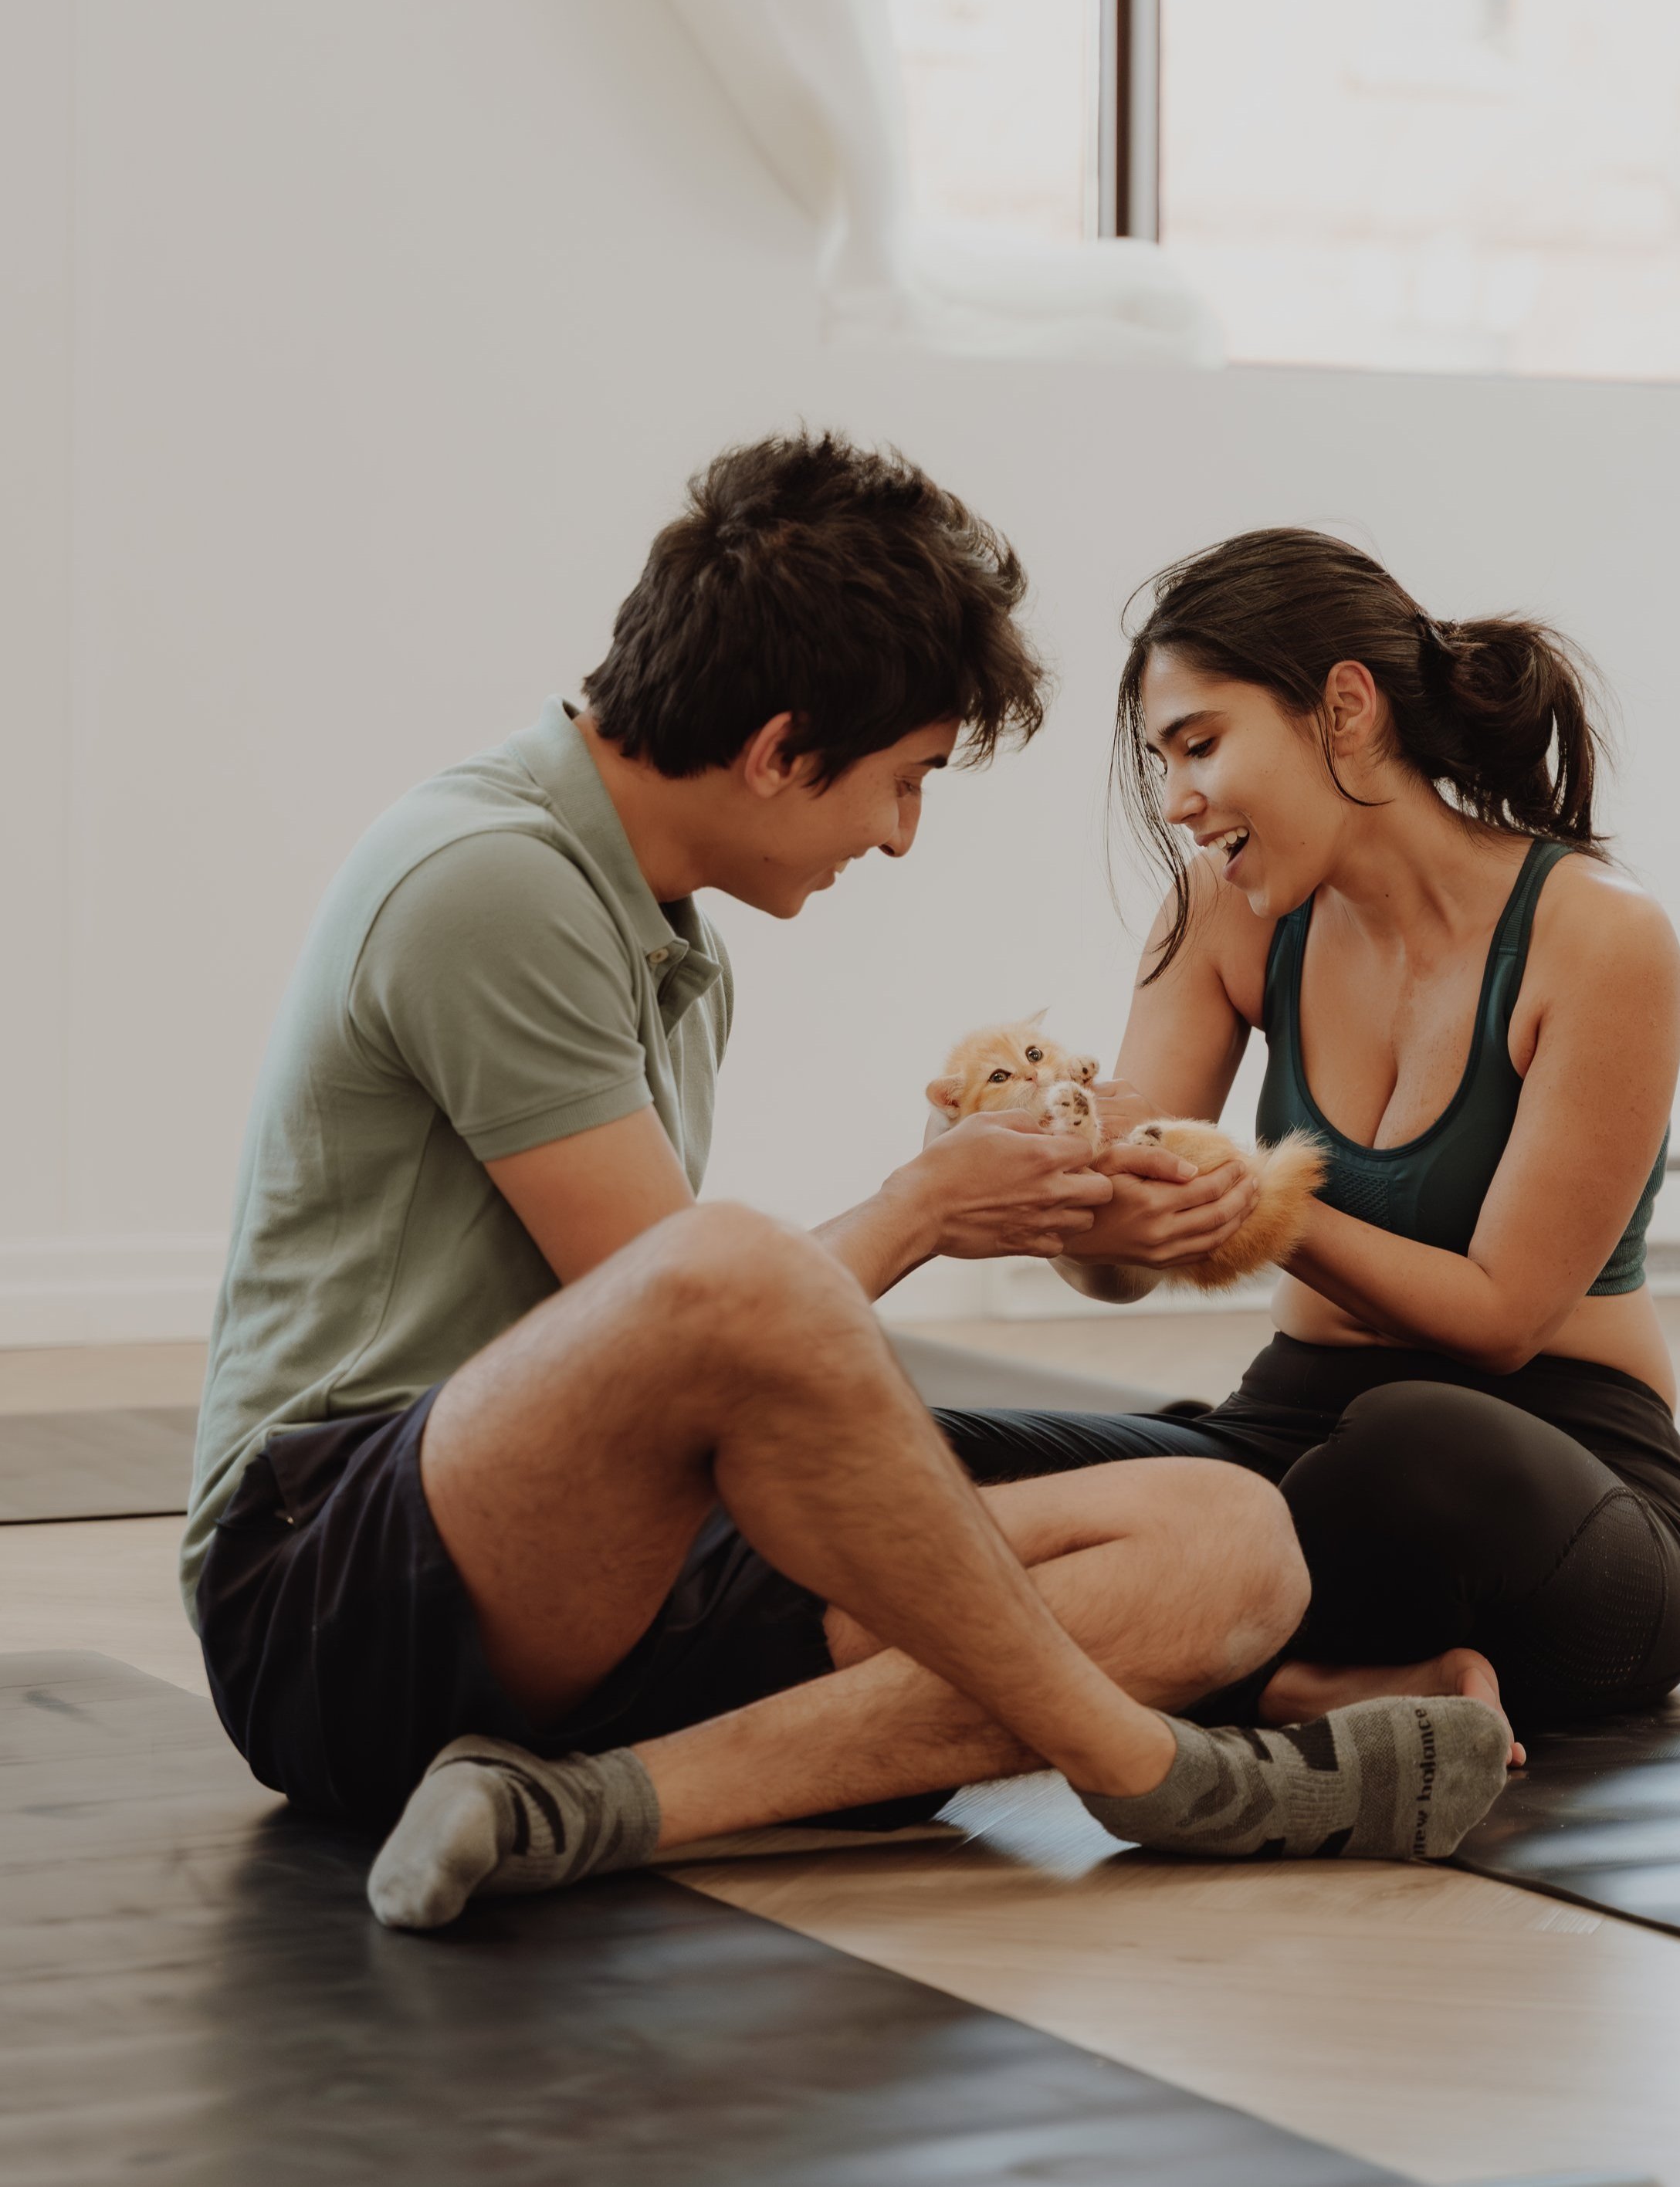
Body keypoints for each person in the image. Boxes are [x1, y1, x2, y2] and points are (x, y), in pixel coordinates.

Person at [183, 442, 1511, 1934]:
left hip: (598, 1587)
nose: (898, 831)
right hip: (332, 1594)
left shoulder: (668, 929)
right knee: (733, 1272)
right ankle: (1150, 1767)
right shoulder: (492, 879)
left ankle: (595, 1805)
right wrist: (926, 1208)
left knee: (1231, 1532)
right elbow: (680, 1316)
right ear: (778, 747)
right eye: (902, 781)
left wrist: (1043, 1206)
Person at [933, 529, 1680, 1745]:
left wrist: (1253, 1203)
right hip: (1287, 1436)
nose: (1178, 802)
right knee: (913, 1447)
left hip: (1552, 1476)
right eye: (1161, 760)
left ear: (1343, 708)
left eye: (1200, 745)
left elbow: (1504, 1316)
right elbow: (1120, 1270)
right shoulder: (1217, 912)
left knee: (1402, 1443)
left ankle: (1203, 1640)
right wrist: (1048, 1182)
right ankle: (1301, 1679)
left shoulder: (1599, 937)